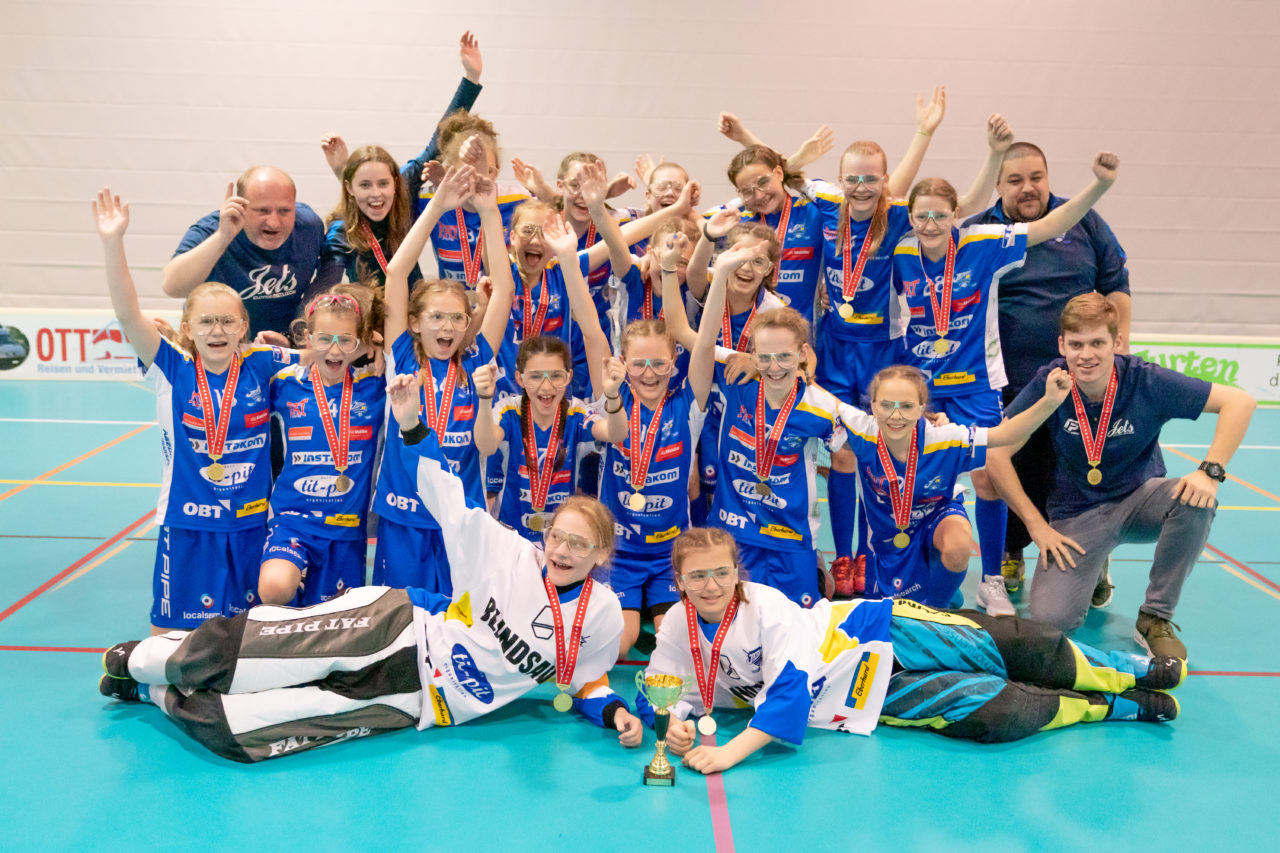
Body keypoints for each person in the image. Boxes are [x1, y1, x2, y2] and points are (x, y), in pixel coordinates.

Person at [97, 372, 643, 762]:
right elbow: (445, 492)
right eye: (559, 536)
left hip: (422, 702)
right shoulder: (506, 551)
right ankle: (137, 659)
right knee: (258, 655)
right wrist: (410, 427)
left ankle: (153, 689)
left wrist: (616, 712)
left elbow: (587, 679)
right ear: (545, 535)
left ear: (601, 554)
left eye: (581, 544)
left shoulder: (603, 615)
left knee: (244, 733)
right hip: (402, 629)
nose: (564, 551)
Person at [637, 527, 1185, 776]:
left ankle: (1125, 671)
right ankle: (1114, 706)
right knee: (999, 712)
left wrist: (728, 753)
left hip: (877, 630)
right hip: (862, 696)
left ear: (738, 573)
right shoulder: (676, 627)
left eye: (721, 573)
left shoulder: (767, 605)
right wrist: (675, 722)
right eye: (697, 577)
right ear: (679, 582)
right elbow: (661, 691)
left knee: (1023, 644)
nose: (710, 586)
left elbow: (785, 693)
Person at [893, 150, 1120, 613]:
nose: (931, 223)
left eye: (941, 214)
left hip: (976, 385)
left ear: (957, 215)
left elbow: (1049, 227)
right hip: (922, 390)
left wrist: (1098, 186)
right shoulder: (899, 253)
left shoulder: (982, 243)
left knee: (988, 479)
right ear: (910, 218)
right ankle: (907, 569)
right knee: (912, 478)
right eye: (922, 216)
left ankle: (992, 578)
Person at [985, 294, 1257, 659]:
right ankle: (1096, 564)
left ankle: (1155, 617)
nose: (1086, 355)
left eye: (1097, 343)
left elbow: (1240, 402)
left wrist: (1211, 472)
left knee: (1195, 500)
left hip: (1139, 500)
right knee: (1049, 622)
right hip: (1076, 516)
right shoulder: (1049, 383)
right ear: (1061, 344)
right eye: (1077, 344)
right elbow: (996, 453)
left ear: (1117, 342)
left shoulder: (1146, 380)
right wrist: (1035, 525)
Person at [93, 188, 294, 634]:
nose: (217, 330)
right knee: (170, 643)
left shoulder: (264, 364)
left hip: (251, 527)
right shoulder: (171, 368)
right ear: (187, 328)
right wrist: (113, 242)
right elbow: (128, 314)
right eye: (206, 321)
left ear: (245, 326)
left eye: (227, 321)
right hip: (186, 525)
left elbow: (325, 359)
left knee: (249, 638)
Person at [964, 142, 1133, 598]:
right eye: (1015, 180)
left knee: (1078, 469)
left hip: (1082, 379)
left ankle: (1092, 558)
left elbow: (1116, 285)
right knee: (1011, 468)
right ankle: (1010, 551)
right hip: (1006, 383)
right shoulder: (978, 232)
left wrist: (1120, 344)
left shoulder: (1085, 220)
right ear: (998, 185)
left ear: (1048, 176)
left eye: (1036, 177)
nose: (1028, 188)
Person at [373, 165, 515, 594]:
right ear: (415, 322)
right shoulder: (402, 355)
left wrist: (490, 213)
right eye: (436, 317)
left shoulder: (476, 361)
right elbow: (397, 274)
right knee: (403, 621)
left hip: (460, 517)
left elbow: (505, 292)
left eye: (457, 317)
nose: (448, 326)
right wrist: (436, 207)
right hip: (405, 515)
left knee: (460, 620)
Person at [837, 364, 1074, 611]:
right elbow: (819, 405)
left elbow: (1005, 435)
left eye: (907, 406)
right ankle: (942, 588)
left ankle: (936, 613)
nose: (896, 416)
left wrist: (1049, 402)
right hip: (888, 544)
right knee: (888, 617)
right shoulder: (861, 433)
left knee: (959, 544)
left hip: (936, 521)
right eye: (886, 405)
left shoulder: (945, 438)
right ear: (873, 406)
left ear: (921, 408)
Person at [598, 232, 725, 656]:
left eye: (659, 363)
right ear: (623, 363)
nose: (649, 373)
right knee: (617, 646)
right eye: (639, 364)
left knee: (686, 646)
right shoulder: (609, 402)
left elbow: (702, 342)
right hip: (619, 552)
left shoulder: (689, 405)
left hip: (671, 553)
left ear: (675, 364)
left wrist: (676, 271)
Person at [318, 31, 487, 290]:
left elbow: (440, 139)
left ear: (396, 182)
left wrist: (471, 78)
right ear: (350, 187)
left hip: (416, 311)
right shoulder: (341, 230)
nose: (377, 194)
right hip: (373, 322)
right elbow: (326, 281)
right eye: (365, 185)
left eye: (383, 183)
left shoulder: (404, 188)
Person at [257, 287, 386, 606]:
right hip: (292, 520)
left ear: (360, 343)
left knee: (331, 625)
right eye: (324, 338)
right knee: (273, 589)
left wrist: (384, 348)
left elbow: (410, 349)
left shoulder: (374, 385)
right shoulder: (285, 381)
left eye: (346, 340)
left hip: (345, 530)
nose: (335, 349)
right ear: (307, 337)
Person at [162, 166, 327, 338]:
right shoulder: (213, 229)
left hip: (279, 346)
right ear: (241, 206)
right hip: (217, 345)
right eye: (262, 211)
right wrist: (222, 237)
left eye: (285, 211)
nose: (274, 222)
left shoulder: (309, 227)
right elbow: (172, 287)